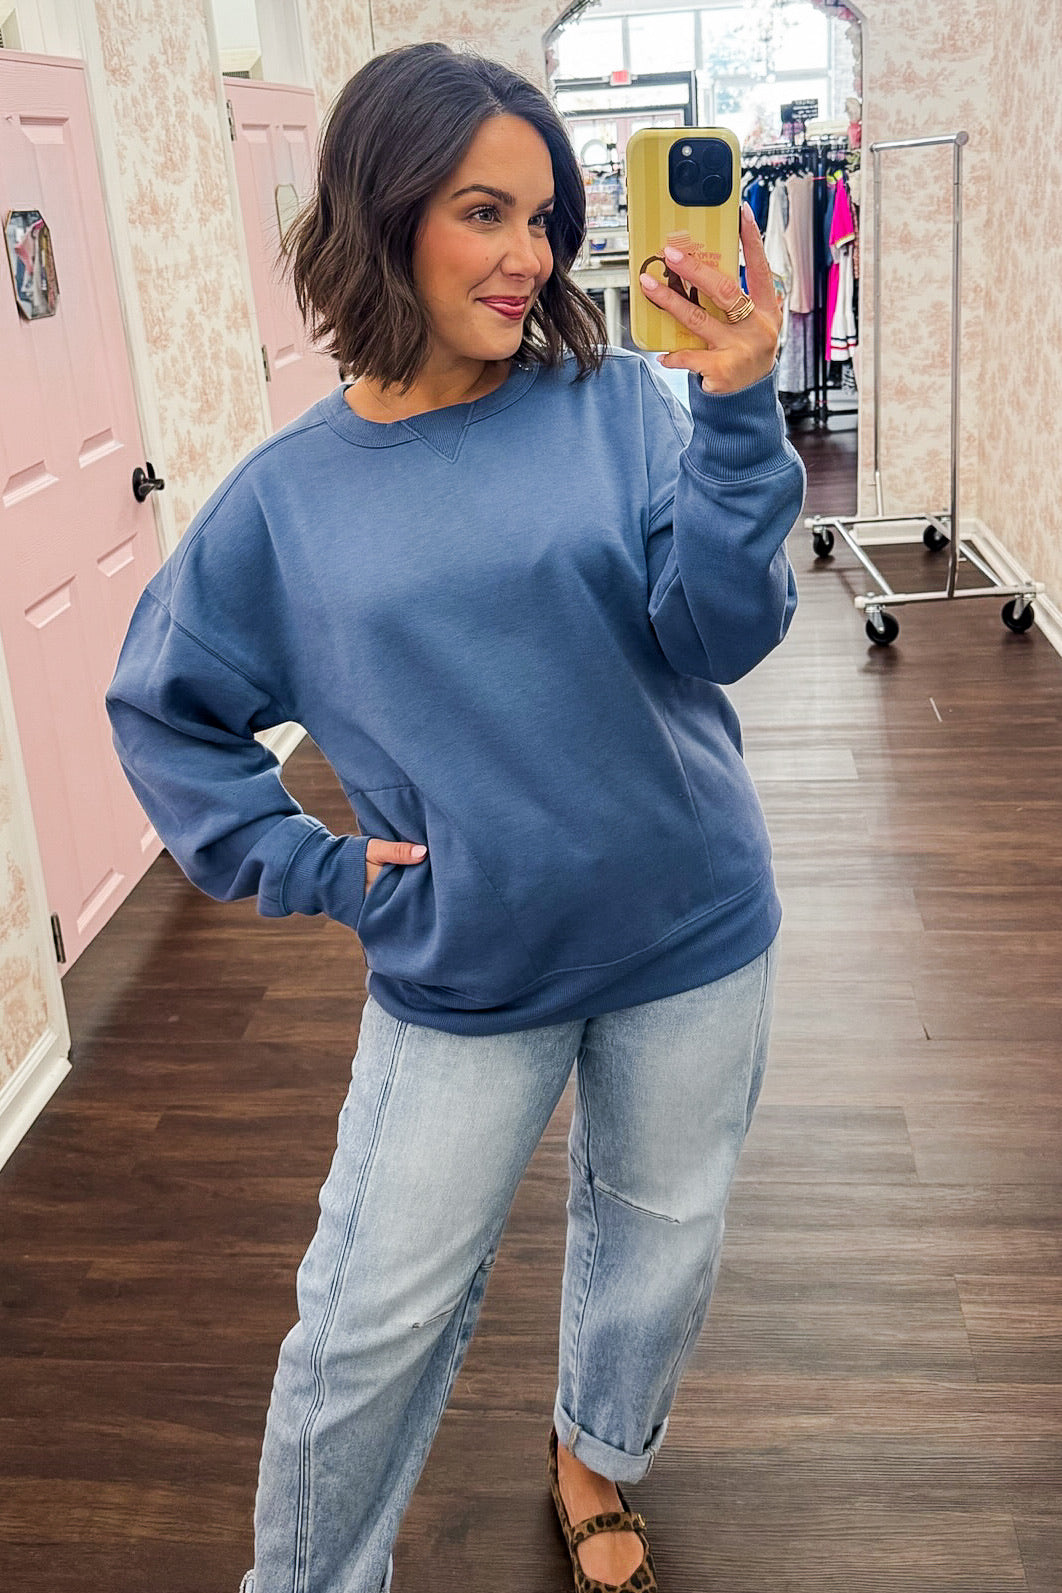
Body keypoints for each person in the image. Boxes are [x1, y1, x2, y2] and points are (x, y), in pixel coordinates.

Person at [105, 41, 804, 1593]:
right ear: (386, 213)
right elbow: (165, 713)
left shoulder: (620, 407)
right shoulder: (288, 500)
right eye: (483, 212)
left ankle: (592, 1453)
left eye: (542, 218)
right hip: (464, 962)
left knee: (657, 1233)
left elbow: (719, 631)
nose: (527, 257)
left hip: (691, 921)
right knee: (367, 1322)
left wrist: (736, 409)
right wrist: (320, 867)